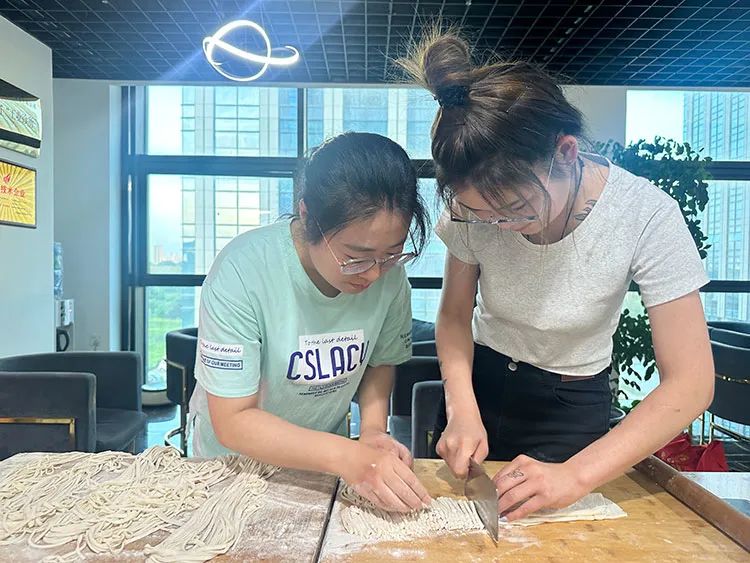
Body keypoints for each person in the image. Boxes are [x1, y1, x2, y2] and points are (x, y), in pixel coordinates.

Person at [399, 32, 714, 521]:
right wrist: (461, 406)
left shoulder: (646, 215)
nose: (500, 226)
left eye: (516, 209)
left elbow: (691, 382)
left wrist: (576, 475)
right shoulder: (468, 210)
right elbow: (455, 317)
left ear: (566, 152)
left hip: (570, 405)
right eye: (483, 215)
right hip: (478, 384)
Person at [189, 132, 432, 513]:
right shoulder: (243, 271)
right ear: (307, 217)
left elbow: (381, 361)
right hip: (231, 468)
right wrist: (348, 456)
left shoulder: (390, 278)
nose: (373, 274)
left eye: (391, 255)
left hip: (323, 468)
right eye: (355, 257)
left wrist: (372, 431)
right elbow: (233, 420)